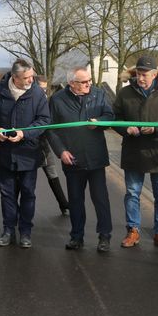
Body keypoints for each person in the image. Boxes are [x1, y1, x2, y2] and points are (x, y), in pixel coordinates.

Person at [113, 56, 158, 249]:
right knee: (133, 193)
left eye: (145, 75)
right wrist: (126, 129)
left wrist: (157, 129)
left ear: (155, 74)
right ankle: (133, 231)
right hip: (133, 151)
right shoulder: (125, 93)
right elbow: (115, 117)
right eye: (138, 74)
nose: (140, 78)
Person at [0, 59, 50, 248]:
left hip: (28, 154)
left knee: (28, 194)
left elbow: (44, 120)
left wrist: (24, 133)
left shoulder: (37, 93)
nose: (31, 80)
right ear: (14, 77)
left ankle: (26, 232)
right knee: (7, 194)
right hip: (4, 153)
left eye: (32, 76)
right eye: (26, 77)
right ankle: (8, 230)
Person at [47, 67, 114, 252]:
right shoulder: (57, 99)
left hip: (96, 157)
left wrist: (100, 122)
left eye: (90, 80)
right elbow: (51, 128)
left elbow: (110, 116)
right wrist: (61, 151)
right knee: (76, 200)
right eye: (84, 82)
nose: (89, 84)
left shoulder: (99, 94)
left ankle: (104, 237)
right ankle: (76, 236)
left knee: (101, 199)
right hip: (72, 158)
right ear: (71, 84)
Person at [38, 77, 69, 217]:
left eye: (45, 89)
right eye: (40, 88)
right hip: (27, 145)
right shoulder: (29, 100)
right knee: (24, 180)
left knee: (52, 173)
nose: (43, 92)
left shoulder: (48, 102)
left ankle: (64, 205)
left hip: (43, 144)